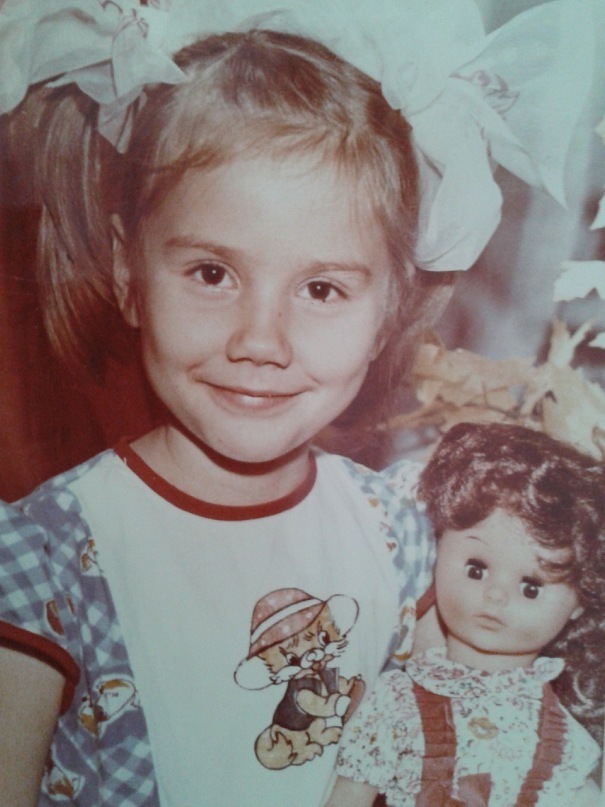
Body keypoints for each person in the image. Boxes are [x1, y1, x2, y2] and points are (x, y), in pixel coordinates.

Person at [0, 1, 595, 804]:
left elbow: (460, 757)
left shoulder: (400, 537)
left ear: (389, 309)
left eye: (320, 288)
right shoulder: (45, 554)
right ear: (127, 273)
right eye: (212, 273)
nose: (261, 340)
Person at [328, 422, 605, 806]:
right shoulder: (397, 704)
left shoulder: (561, 737)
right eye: (476, 569)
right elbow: (348, 798)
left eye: (531, 587)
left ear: (579, 601)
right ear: (438, 550)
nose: (495, 595)